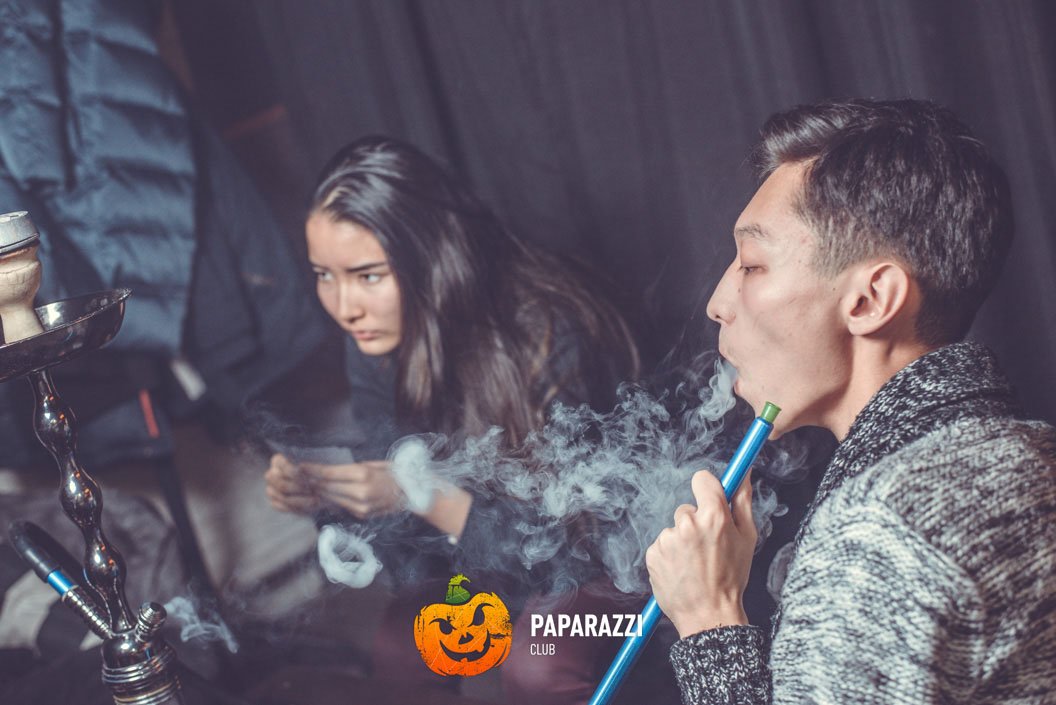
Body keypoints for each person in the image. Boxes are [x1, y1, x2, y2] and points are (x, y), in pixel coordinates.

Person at [645, 98, 1056, 703]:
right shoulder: (1033, 454)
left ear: (870, 300)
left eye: (752, 265)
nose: (717, 304)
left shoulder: (879, 531)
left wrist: (709, 620)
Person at [262, 135, 643, 701]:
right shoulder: (375, 339)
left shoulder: (549, 332)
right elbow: (412, 554)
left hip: (608, 570)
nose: (344, 307)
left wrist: (418, 495)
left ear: (430, 258)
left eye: (368, 275)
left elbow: (570, 552)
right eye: (324, 275)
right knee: (402, 648)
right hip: (487, 560)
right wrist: (331, 500)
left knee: (537, 662)